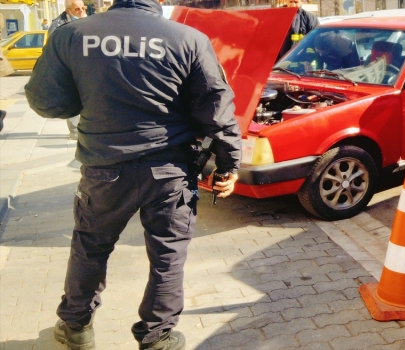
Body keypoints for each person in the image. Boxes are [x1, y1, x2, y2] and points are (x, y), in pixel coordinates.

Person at [24, 0, 242, 347]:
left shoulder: (72, 34)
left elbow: (45, 100)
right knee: (168, 255)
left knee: (90, 248)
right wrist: (229, 164)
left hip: (104, 168)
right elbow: (216, 108)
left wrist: (89, 98)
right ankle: (157, 337)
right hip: (169, 172)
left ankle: (76, 328)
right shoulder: (188, 39)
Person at [49, 0, 87, 140]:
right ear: (68, 11)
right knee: (72, 99)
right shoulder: (58, 25)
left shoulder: (88, 21)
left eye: (83, 7)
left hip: (84, 68)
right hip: (68, 68)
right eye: (77, 9)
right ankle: (75, 132)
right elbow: (53, 49)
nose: (82, 11)